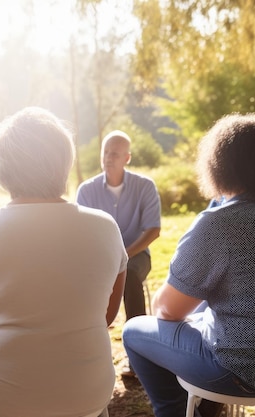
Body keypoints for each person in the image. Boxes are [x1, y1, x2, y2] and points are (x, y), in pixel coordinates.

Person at [122, 113, 255, 417]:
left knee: (133, 332)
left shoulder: (219, 223)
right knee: (204, 307)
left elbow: (166, 309)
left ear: (218, 166)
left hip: (241, 373)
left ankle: (174, 412)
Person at [0, 107, 128, 417]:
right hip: (87, 393)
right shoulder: (106, 227)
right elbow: (106, 316)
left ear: (1, 168)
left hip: (3, 398)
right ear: (64, 162)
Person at [76, 129, 161, 377]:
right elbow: (82, 233)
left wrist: (122, 255)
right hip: (98, 258)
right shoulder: (87, 190)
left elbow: (153, 230)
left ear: (127, 158)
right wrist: (103, 258)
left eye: (115, 153)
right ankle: (84, 353)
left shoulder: (145, 186)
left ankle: (138, 359)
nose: (108, 157)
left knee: (131, 278)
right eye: (105, 152)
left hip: (136, 256)